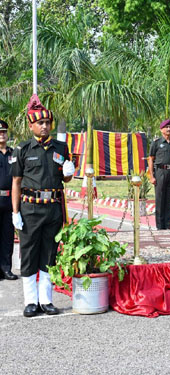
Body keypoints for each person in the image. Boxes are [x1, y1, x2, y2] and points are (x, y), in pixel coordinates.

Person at [11, 94, 75, 317]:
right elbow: (16, 182)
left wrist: (69, 174)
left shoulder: (61, 147)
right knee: (29, 253)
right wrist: (15, 212)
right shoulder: (23, 149)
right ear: (31, 126)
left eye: (48, 122)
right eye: (40, 123)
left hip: (53, 208)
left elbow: (65, 179)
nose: (45, 126)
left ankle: (46, 300)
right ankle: (30, 301)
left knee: (49, 253)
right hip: (30, 209)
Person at [0, 119, 17, 281]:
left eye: (4, 132)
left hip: (10, 200)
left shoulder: (13, 154)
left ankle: (6, 269)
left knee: (7, 236)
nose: (2, 135)